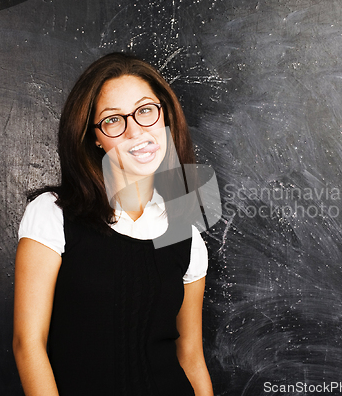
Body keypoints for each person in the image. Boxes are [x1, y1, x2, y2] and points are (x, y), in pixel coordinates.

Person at [12, 53, 214, 396]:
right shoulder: (52, 215)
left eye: (146, 110)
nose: (136, 131)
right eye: (113, 120)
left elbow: (191, 355)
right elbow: (27, 344)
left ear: (164, 116)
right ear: (95, 137)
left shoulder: (186, 236)